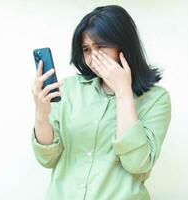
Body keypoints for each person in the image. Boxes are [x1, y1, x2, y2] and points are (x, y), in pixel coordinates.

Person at [31, 5, 171, 200]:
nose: (93, 57)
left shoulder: (157, 99)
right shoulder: (69, 89)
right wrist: (41, 114)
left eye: (101, 46)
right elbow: (48, 158)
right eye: (86, 49)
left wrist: (123, 93)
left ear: (123, 46)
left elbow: (137, 163)